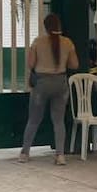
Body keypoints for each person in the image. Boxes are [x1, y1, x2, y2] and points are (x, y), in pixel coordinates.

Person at [19, 13, 79, 165]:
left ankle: (25, 153)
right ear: (59, 26)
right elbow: (74, 64)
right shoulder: (68, 43)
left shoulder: (38, 42)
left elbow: (30, 64)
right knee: (58, 121)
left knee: (34, 119)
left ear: (45, 27)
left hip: (42, 83)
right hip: (60, 83)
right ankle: (60, 155)